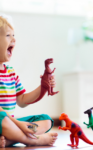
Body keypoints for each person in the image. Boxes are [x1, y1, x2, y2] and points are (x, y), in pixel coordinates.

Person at [0, 15, 58, 147]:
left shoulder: (10, 72)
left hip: (11, 125)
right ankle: (33, 139)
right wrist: (20, 124)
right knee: (1, 118)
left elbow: (22, 101)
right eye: (8, 35)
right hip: (4, 122)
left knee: (45, 120)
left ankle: (10, 139)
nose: (14, 39)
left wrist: (42, 87)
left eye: (14, 35)